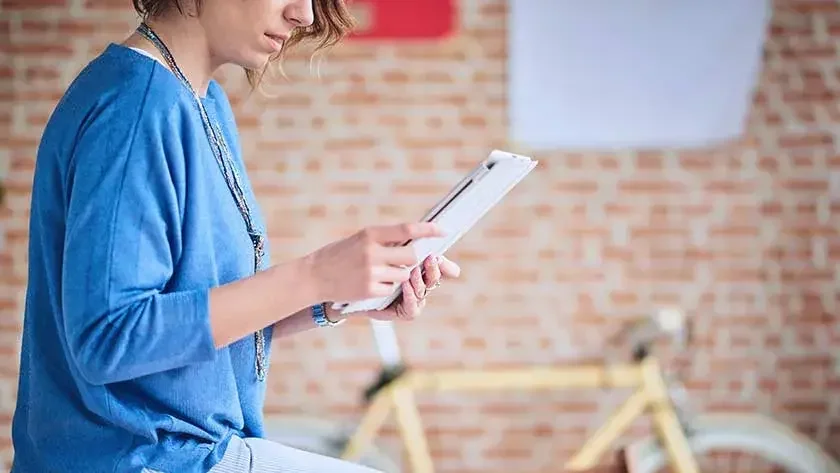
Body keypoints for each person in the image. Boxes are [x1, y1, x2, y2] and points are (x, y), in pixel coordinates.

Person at [10, 0, 461, 472]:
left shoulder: (202, 102)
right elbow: (110, 338)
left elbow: (192, 325)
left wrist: (337, 296)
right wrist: (315, 274)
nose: (304, 15)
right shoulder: (137, 107)